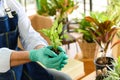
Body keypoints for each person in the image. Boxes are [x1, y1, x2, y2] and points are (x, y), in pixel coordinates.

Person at [0, 0, 72, 80]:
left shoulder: (11, 4)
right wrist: (34, 55)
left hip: (19, 68)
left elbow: (29, 35)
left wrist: (43, 50)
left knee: (64, 78)